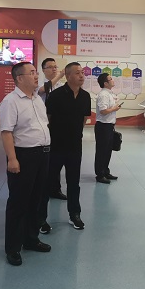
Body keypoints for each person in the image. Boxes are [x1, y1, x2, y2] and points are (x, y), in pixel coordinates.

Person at [0, 62, 52, 266]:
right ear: (19, 78)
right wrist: (12, 159)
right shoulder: (10, 101)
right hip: (23, 156)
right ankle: (13, 247)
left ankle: (30, 239)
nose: (36, 75)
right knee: (18, 202)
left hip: (42, 154)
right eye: (31, 73)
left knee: (36, 199)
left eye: (35, 72)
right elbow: (6, 132)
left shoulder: (37, 98)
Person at [44, 62, 91, 230]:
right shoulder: (55, 95)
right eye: (77, 73)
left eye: (82, 72)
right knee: (47, 182)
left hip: (75, 147)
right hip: (55, 146)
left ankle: (74, 214)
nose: (81, 75)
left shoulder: (85, 96)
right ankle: (41, 218)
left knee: (74, 182)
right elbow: (48, 118)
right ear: (68, 76)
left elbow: (84, 119)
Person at [38, 58, 66, 204]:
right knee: (45, 160)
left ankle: (55, 188)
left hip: (58, 126)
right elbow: (44, 90)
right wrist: (60, 75)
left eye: (56, 67)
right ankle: (43, 189)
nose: (54, 69)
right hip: (43, 126)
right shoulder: (39, 84)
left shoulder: (61, 86)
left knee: (56, 158)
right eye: (50, 67)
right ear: (43, 70)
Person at [94, 73, 121, 184]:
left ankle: (105, 171)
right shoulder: (103, 95)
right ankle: (100, 174)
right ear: (105, 83)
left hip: (109, 126)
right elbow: (103, 111)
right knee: (102, 151)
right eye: (110, 79)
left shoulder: (110, 93)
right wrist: (114, 109)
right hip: (103, 126)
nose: (113, 80)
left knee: (108, 150)